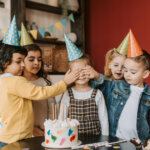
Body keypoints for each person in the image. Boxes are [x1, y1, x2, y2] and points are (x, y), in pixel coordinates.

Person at [0, 44, 80, 148]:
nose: (23, 65)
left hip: (5, 135)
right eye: (18, 61)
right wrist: (64, 83)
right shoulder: (16, 81)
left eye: (23, 61)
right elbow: (41, 93)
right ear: (5, 63)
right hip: (16, 138)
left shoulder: (2, 80)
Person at [85, 50, 150, 141]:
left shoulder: (148, 96)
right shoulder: (118, 86)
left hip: (139, 142)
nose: (127, 74)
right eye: (125, 69)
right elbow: (103, 85)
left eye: (133, 72)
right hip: (115, 139)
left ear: (145, 74)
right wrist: (96, 76)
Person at [59, 55, 109, 136]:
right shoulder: (67, 94)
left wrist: (105, 138)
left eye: (84, 70)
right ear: (69, 74)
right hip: (72, 140)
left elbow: (104, 119)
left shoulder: (98, 94)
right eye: (76, 72)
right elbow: (62, 118)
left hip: (95, 140)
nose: (81, 75)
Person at [23, 44, 56, 137]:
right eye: (31, 59)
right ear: (22, 61)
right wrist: (31, 129)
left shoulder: (45, 82)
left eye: (39, 59)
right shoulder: (19, 83)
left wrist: (50, 127)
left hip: (44, 131)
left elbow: (52, 108)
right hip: (25, 132)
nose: (37, 63)